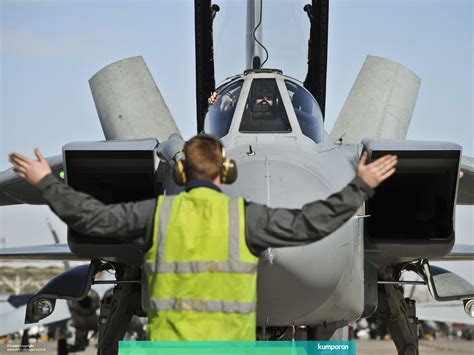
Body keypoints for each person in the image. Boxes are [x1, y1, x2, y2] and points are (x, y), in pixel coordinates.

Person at [9, 135, 397, 343]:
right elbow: (312, 223)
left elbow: (88, 216)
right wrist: (361, 186)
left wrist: (45, 181)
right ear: (225, 171)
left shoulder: (155, 215)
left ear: (180, 173)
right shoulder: (245, 219)